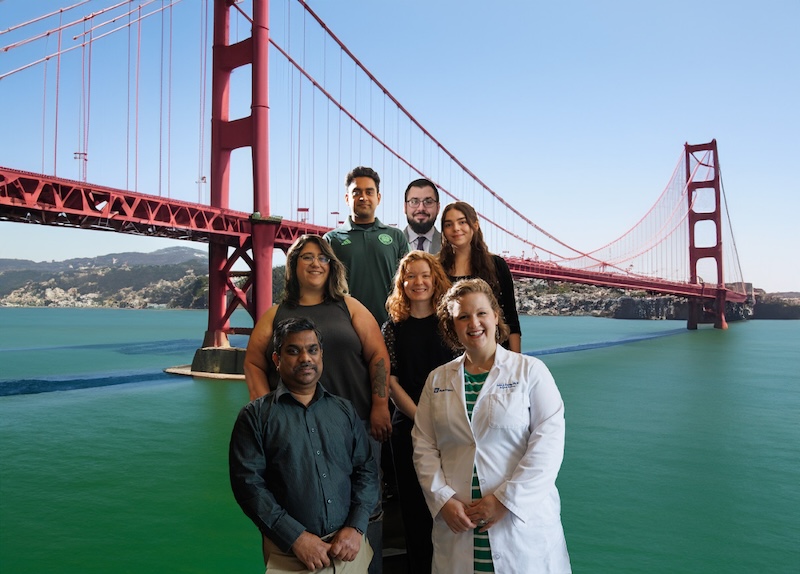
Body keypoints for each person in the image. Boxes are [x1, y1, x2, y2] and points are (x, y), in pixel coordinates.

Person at [243, 234, 391, 573]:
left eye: (322, 257)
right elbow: (252, 361)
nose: (315, 263)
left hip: (356, 427)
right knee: (296, 505)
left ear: (332, 265)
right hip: (293, 433)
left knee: (366, 509)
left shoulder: (349, 306)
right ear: (293, 267)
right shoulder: (276, 313)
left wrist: (380, 406)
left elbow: (378, 356)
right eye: (306, 257)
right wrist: (266, 408)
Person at [412, 279, 571, 574]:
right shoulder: (437, 379)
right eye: (463, 316)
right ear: (452, 326)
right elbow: (423, 445)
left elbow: (548, 446)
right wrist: (443, 500)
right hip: (458, 524)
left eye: (482, 313)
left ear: (496, 317)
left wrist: (505, 501)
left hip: (520, 524)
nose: (474, 323)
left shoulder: (531, 372)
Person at [230, 317, 379, 573]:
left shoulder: (344, 410)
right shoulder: (254, 417)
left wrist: (356, 527)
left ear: (321, 355)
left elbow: (366, 470)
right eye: (293, 351)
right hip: (290, 557)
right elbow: (249, 487)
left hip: (350, 552)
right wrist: (295, 537)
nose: (305, 358)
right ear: (277, 360)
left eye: (312, 350)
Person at [381, 251, 455, 573]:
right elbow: (391, 382)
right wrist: (424, 420)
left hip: (453, 427)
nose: (418, 282)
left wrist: (443, 422)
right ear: (402, 282)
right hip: (408, 428)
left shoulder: (450, 323)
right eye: (410, 276)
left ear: (435, 278)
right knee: (414, 511)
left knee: (450, 508)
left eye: (425, 275)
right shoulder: (392, 326)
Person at [324, 166, 409, 326]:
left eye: (369, 192)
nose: (363, 197)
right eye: (356, 192)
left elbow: (409, 281)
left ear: (378, 197)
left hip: (392, 326)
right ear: (347, 198)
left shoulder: (396, 236)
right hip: (347, 327)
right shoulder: (331, 240)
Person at [439, 201, 522, 352]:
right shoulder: (436, 267)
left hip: (493, 355)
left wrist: (515, 361)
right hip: (446, 356)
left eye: (462, 222)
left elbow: (510, 317)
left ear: (475, 225)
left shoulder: (497, 265)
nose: (456, 228)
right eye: (448, 224)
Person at [402, 178, 442, 254]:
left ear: (438, 208)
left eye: (428, 202)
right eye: (414, 202)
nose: (421, 208)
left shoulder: (451, 247)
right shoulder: (390, 246)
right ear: (405, 207)